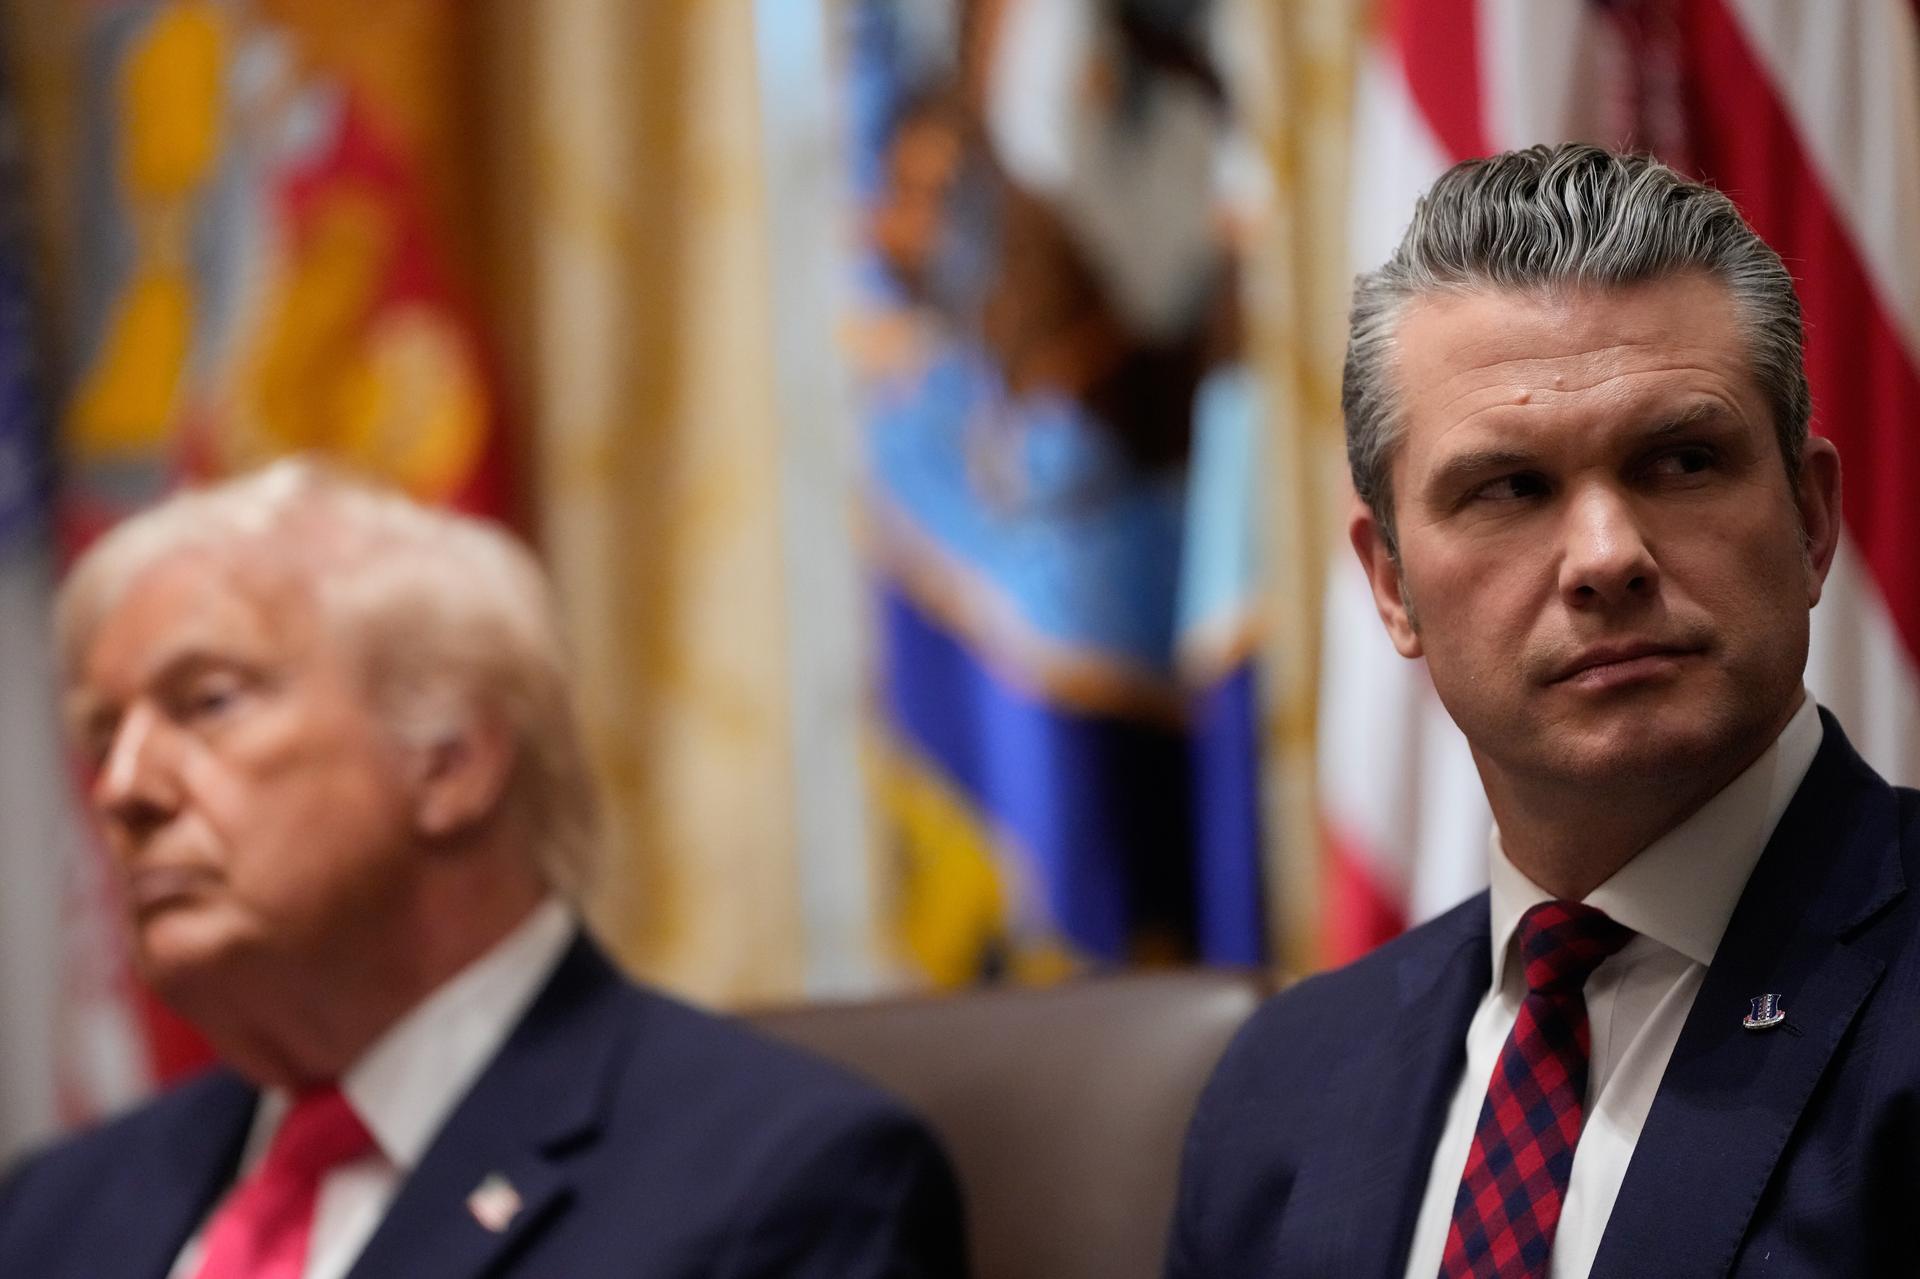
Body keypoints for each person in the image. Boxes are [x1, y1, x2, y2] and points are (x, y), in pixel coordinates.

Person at [1167, 143, 1920, 1278]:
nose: (1607, 556)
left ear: (1813, 523)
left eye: (1681, 460)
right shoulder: (1285, 1080)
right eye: (1510, 488)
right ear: (1391, 585)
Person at [0, 460, 967, 1278]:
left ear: (452, 758)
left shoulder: (784, 1185)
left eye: (207, 701)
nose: (122, 788)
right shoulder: (49, 1214)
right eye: (101, 736)